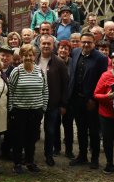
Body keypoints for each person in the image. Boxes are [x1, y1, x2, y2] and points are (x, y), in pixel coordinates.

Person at [65, 33, 106, 167]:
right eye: (84, 42)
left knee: (93, 130)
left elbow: (102, 81)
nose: (86, 45)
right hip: (77, 98)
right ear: (80, 43)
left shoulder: (100, 58)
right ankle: (82, 155)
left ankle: (94, 158)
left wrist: (93, 99)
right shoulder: (75, 52)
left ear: (94, 43)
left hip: (91, 101)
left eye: (89, 42)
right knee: (81, 128)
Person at [7, 44, 48, 174]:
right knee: (18, 138)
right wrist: (11, 109)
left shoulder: (39, 71)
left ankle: (30, 162)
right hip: (19, 111)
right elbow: (10, 91)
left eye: (30, 55)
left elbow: (45, 90)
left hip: (36, 110)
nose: (28, 58)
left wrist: (43, 108)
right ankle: (17, 163)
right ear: (21, 57)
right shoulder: (16, 71)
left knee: (32, 138)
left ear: (34, 57)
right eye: (25, 55)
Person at [37, 34, 69, 166]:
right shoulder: (34, 60)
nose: (45, 46)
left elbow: (65, 84)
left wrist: (63, 104)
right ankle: (30, 154)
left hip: (53, 103)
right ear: (39, 45)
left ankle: (48, 155)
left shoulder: (59, 63)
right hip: (36, 102)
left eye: (48, 44)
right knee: (34, 129)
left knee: (50, 130)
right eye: (43, 43)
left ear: (53, 46)